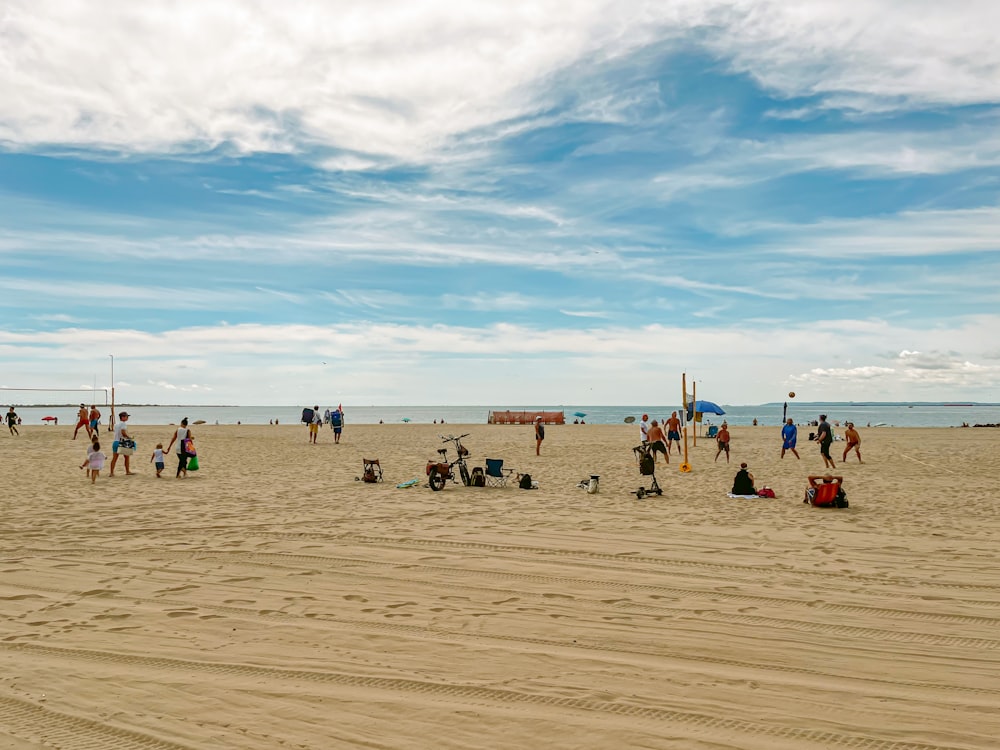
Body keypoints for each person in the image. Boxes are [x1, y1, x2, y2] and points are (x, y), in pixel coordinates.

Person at [109, 411, 136, 476]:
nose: (127, 418)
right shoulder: (123, 424)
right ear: (123, 417)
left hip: (115, 441)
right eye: (127, 416)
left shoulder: (116, 424)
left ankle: (111, 472)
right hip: (122, 442)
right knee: (127, 457)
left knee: (114, 458)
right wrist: (129, 437)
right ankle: (127, 471)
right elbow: (123, 432)